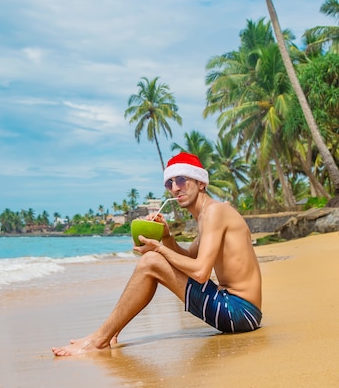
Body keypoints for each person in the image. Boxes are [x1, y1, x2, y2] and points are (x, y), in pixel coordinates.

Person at [52, 152, 262, 356]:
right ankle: (111, 333)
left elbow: (200, 272)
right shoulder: (207, 215)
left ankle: (100, 339)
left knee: (151, 261)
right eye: (169, 183)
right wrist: (167, 236)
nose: (175, 188)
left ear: (200, 183)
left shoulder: (214, 212)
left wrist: (159, 249)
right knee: (153, 261)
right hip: (237, 309)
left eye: (181, 179)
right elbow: (189, 259)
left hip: (240, 312)